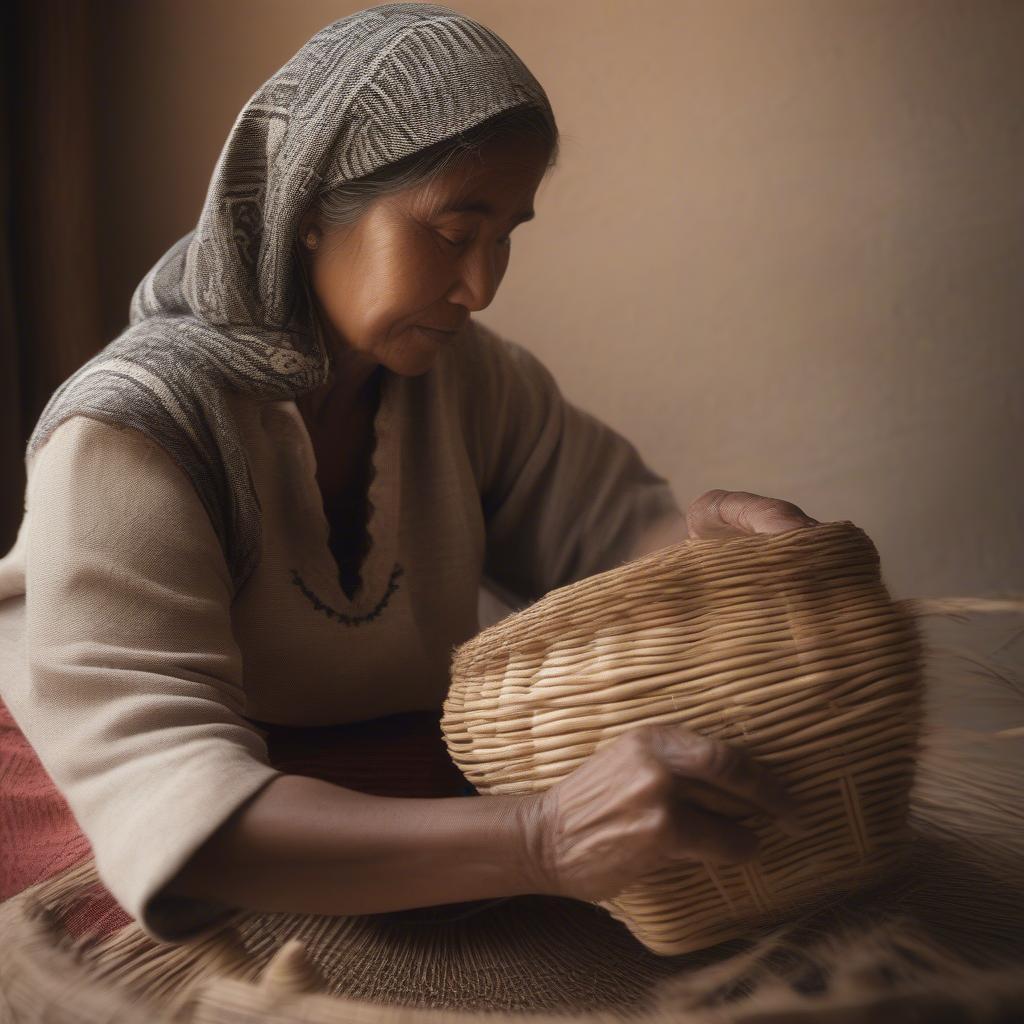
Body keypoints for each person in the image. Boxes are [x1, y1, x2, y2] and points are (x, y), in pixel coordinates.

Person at [0, 3, 810, 945]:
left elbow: (615, 542)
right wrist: (545, 840)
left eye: (505, 234)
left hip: (334, 779)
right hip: (105, 811)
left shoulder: (464, 380)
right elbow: (178, 814)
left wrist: (704, 541)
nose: (481, 285)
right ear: (307, 210)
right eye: (452, 230)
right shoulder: (136, 428)